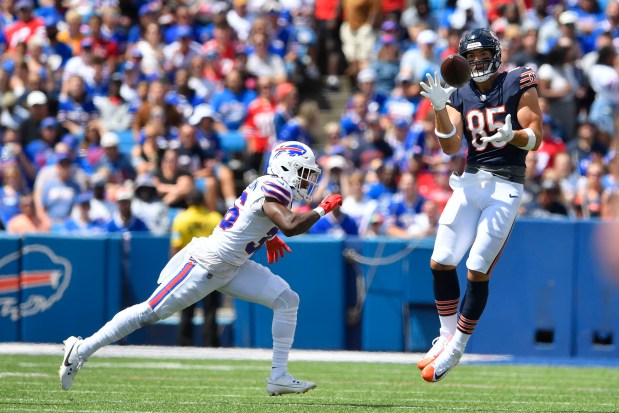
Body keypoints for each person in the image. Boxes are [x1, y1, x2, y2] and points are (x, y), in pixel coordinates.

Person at [59, 141, 342, 396]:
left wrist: (269, 238)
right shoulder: (275, 187)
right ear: (285, 167)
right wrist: (321, 209)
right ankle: (80, 349)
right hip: (207, 263)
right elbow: (290, 225)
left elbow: (256, 220)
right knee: (149, 312)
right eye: (304, 172)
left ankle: (278, 376)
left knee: (287, 299)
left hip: (233, 265)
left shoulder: (272, 187)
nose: (308, 179)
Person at [417, 28, 542, 382]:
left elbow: (536, 135)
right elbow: (449, 145)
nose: (477, 63)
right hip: (471, 180)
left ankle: (457, 347)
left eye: (482, 56)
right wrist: (440, 108)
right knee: (440, 261)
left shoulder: (519, 80)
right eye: (470, 59)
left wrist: (511, 135)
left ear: (496, 55)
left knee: (476, 268)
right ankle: (443, 337)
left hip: (505, 184)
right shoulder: (462, 93)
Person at [171, 188, 223, 347]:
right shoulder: (215, 218)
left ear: (188, 202)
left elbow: (175, 246)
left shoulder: (181, 219)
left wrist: (174, 269)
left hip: (189, 268)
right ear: (203, 200)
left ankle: (184, 344)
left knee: (186, 309)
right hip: (211, 268)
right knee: (210, 310)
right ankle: (210, 344)